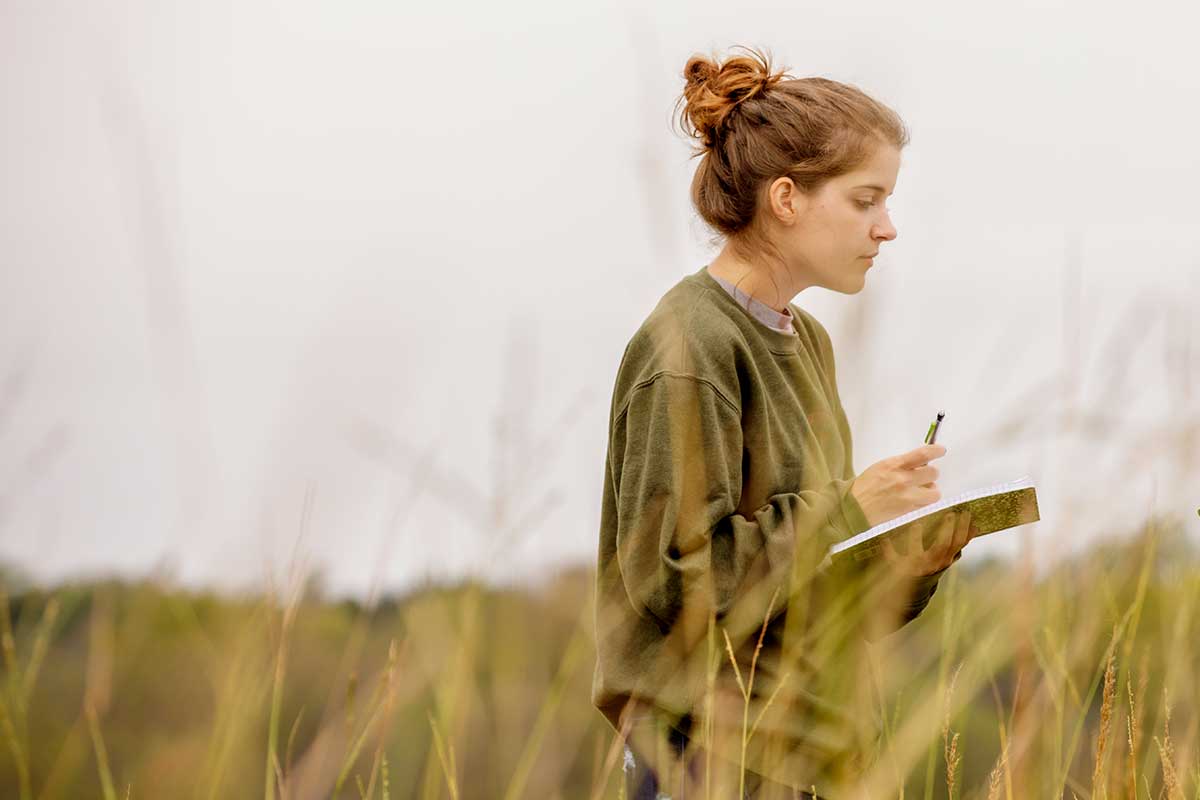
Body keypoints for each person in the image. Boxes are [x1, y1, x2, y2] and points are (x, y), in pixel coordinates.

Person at [591, 46, 980, 799]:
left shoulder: (808, 343)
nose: (888, 228)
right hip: (706, 758)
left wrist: (904, 565)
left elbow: (806, 588)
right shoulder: (690, 349)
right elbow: (675, 579)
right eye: (866, 201)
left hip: (806, 757)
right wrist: (848, 507)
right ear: (787, 199)